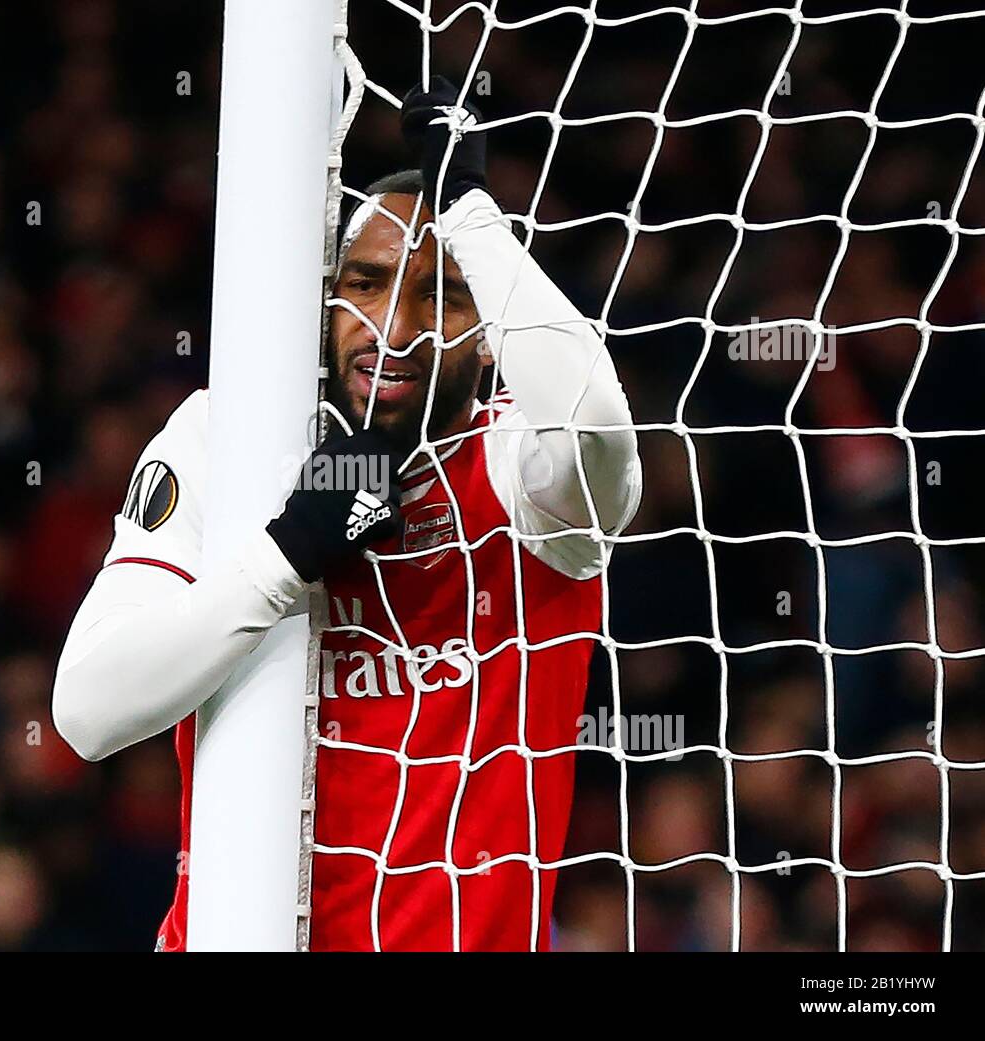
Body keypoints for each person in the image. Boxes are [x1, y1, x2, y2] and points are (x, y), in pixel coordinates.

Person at [51, 78, 642, 950]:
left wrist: (473, 216)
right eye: (365, 284)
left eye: (441, 294)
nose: (395, 326)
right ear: (324, 302)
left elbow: (596, 419)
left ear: (489, 330)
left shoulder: (528, 471)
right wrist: (285, 556)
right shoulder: (228, 438)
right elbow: (88, 711)